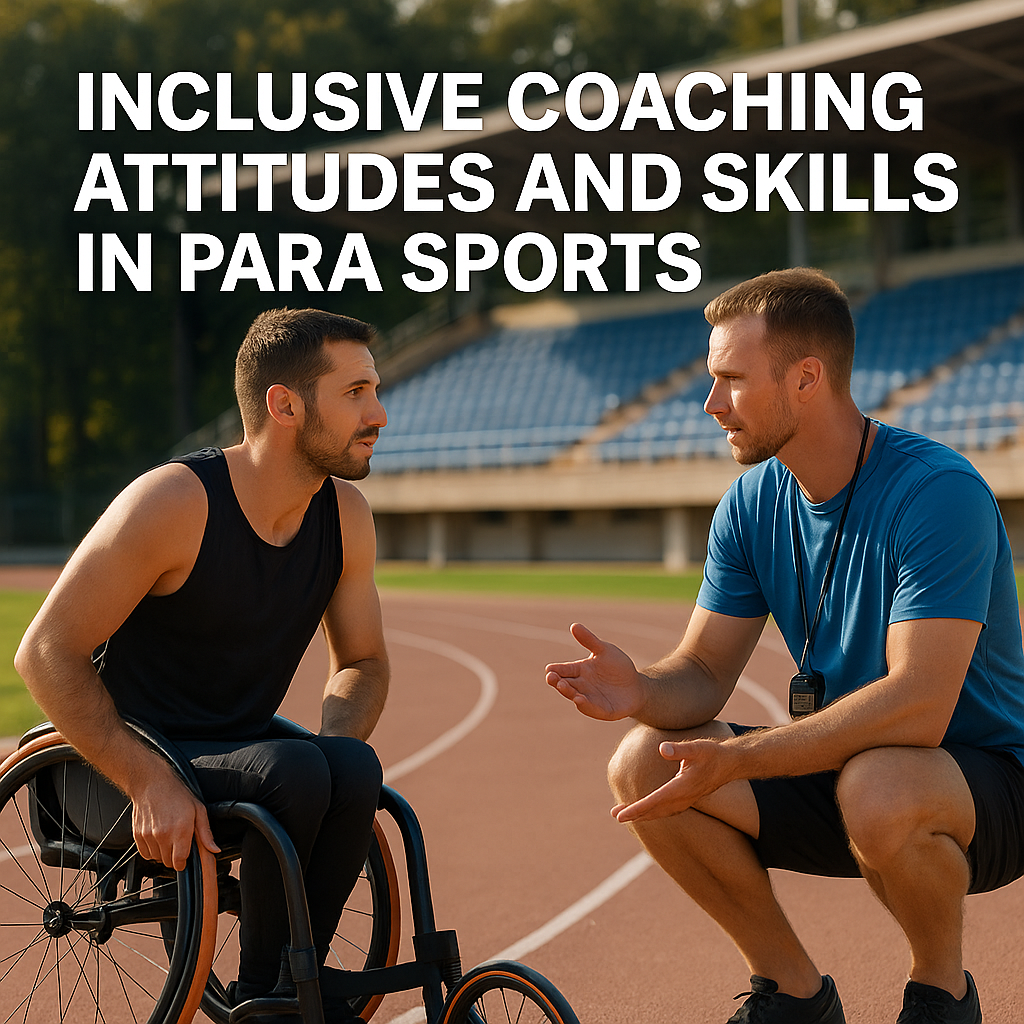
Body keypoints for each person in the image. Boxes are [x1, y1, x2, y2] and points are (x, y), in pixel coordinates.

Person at [545, 268, 1024, 1024]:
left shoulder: (939, 492)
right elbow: (702, 672)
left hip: (979, 785)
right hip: (844, 768)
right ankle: (793, 995)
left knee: (882, 782)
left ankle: (941, 995)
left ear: (807, 379)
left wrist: (740, 759)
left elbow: (920, 708)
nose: (711, 404)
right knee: (644, 763)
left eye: (731, 380)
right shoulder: (751, 500)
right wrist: (642, 689)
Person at [15, 307, 390, 1023]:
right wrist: (146, 778)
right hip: (107, 772)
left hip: (230, 750)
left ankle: (290, 990)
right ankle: (268, 1003)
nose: (378, 412)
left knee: (349, 768)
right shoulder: (175, 502)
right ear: (284, 404)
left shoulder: (345, 515)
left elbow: (363, 663)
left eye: (374, 389)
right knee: (299, 772)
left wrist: (340, 737)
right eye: (355, 394)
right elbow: (43, 653)